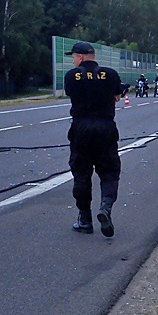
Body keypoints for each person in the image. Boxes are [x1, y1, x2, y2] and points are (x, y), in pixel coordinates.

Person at [64, 42, 122, 236]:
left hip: (81, 128)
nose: (73, 60)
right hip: (105, 127)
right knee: (109, 171)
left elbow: (74, 94)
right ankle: (105, 207)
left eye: (73, 57)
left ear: (80, 57)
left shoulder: (72, 76)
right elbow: (116, 96)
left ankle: (85, 219)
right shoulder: (111, 74)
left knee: (81, 172)